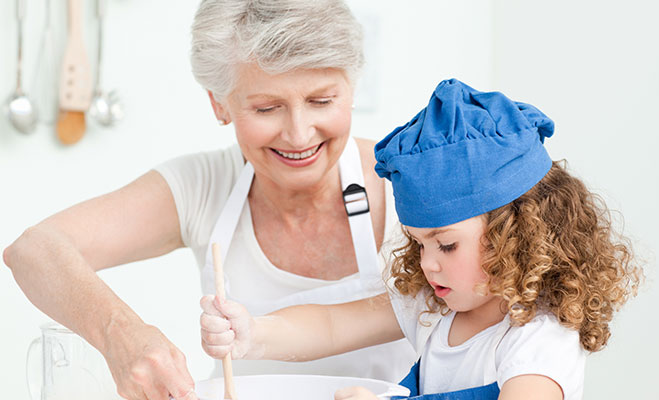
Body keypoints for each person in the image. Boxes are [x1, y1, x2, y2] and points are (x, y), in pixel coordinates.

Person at [3, 0, 416, 399]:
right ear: (220, 104)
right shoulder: (203, 186)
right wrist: (121, 334)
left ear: (351, 87)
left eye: (321, 101)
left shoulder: (410, 181)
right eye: (267, 108)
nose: (299, 133)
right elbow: (34, 250)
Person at [199, 79, 643, 400]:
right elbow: (332, 326)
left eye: (446, 245)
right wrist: (252, 333)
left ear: (519, 235)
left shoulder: (538, 337)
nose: (428, 264)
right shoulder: (434, 307)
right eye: (418, 245)